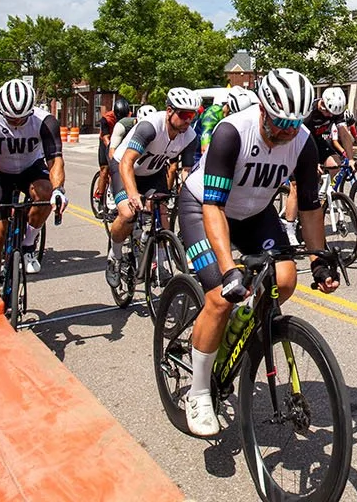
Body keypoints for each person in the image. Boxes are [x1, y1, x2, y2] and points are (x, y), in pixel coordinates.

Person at [176, 68, 340, 437]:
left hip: (254, 212)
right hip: (204, 207)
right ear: (263, 109)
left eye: (294, 123)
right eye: (280, 121)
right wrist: (229, 269)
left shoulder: (303, 141)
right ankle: (199, 391)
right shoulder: (232, 132)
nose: (286, 131)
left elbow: (311, 207)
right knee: (220, 296)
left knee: (284, 279)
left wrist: (318, 259)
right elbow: (213, 207)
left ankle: (240, 331)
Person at [0, 80, 66, 281]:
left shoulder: (45, 121)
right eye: (11, 118)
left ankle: (28, 243)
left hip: (31, 167)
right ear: (1, 110)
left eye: (22, 118)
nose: (17, 122)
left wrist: (58, 190)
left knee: (46, 193)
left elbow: (55, 160)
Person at [106, 89, 199, 288]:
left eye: (192, 115)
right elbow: (126, 163)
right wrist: (132, 194)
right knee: (127, 213)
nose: (188, 120)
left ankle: (161, 262)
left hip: (153, 172)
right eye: (184, 115)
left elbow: (187, 172)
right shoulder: (150, 127)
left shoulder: (190, 136)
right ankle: (114, 257)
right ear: (169, 111)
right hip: (124, 167)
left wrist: (188, 194)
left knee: (162, 211)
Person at [284, 87, 357, 240]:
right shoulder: (308, 113)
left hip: (316, 142)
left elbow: (344, 134)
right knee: (297, 188)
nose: (330, 116)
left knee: (336, 164)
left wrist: (350, 159)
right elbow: (297, 139)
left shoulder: (336, 112)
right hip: (296, 143)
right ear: (322, 104)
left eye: (333, 114)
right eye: (328, 112)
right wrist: (311, 162)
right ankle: (289, 228)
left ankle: (322, 195)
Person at [93, 96, 130, 208]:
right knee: (105, 169)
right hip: (107, 142)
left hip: (121, 141)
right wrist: (112, 149)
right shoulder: (106, 119)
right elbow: (105, 137)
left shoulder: (130, 116)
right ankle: (100, 195)